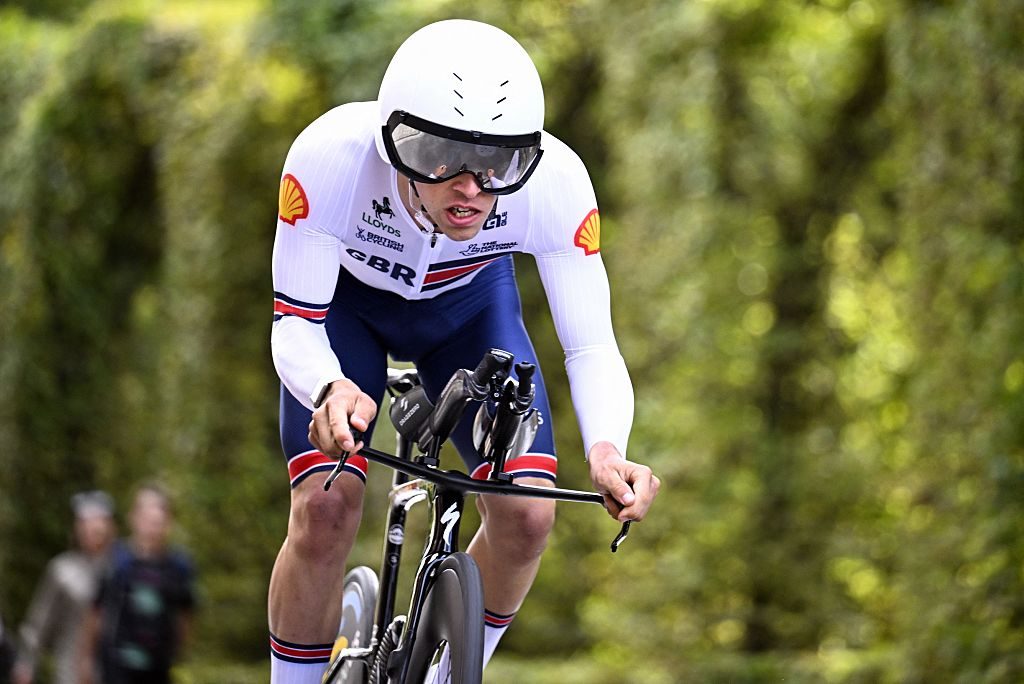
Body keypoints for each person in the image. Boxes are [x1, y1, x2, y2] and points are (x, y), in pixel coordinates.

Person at [269, 18, 661, 683]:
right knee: (325, 508)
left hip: (468, 315)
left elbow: (593, 345)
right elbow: (295, 323)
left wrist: (608, 450)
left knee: (528, 517)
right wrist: (327, 387)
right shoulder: (330, 156)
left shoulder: (557, 182)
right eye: (440, 157)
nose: (472, 186)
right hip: (345, 312)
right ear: (396, 142)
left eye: (497, 163)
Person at [84, 484, 195, 684]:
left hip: (158, 667)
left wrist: (176, 652)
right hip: (117, 666)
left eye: (158, 520)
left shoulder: (179, 566)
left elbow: (185, 616)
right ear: (133, 518)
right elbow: (95, 613)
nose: (153, 527)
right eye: (147, 518)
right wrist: (87, 660)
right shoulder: (115, 559)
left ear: (168, 522)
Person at [12, 490, 116, 684]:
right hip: (70, 672)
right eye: (85, 523)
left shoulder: (121, 570)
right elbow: (37, 625)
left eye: (98, 522)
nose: (92, 529)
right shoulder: (62, 571)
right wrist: (26, 663)